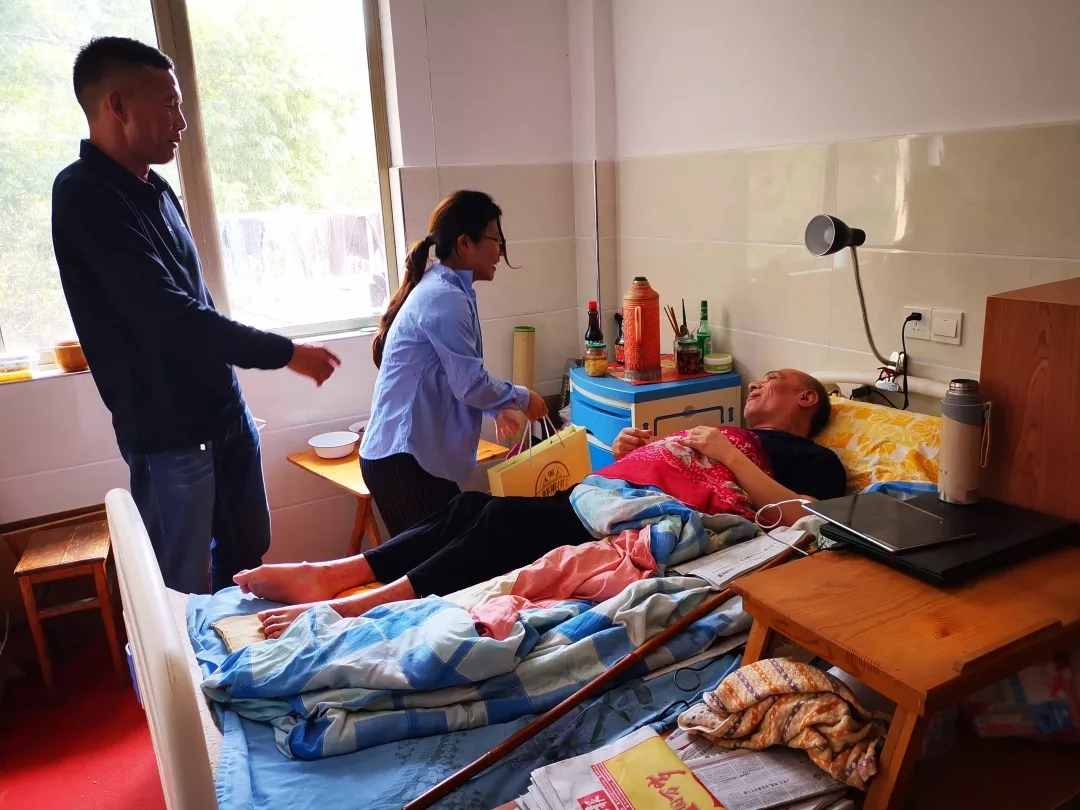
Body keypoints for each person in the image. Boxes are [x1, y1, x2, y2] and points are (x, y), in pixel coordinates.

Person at [237, 369, 845, 637]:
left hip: (640, 521)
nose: (758, 382)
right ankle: (336, 572)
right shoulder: (725, 434)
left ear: (807, 399)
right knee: (468, 508)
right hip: (609, 494)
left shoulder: (810, 457)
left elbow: (807, 515)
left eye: (775, 380)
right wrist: (638, 449)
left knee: (499, 519)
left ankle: (359, 604)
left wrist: (726, 454)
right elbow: (681, 465)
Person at [51, 37, 341, 594]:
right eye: (169, 105)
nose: (182, 122)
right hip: (168, 435)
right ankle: (193, 656)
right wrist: (286, 353)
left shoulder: (157, 190)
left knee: (248, 558)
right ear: (118, 105)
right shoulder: (84, 196)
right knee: (181, 588)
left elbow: (198, 301)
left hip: (225, 415)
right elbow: (168, 316)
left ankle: (243, 651)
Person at [359, 191, 548, 537]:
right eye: (495, 239)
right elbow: (470, 384)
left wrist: (496, 408)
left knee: (450, 554)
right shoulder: (445, 297)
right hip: (400, 458)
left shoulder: (446, 290)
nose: (500, 251)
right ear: (464, 244)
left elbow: (454, 375)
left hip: (406, 456)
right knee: (441, 560)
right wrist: (523, 398)